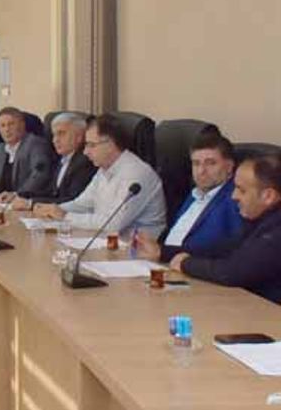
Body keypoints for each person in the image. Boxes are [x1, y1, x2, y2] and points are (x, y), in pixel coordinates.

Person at [168, 153, 281, 303]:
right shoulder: (256, 221)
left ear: (268, 196)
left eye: (241, 190)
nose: (234, 196)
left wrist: (186, 264)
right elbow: (219, 250)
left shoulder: (275, 231)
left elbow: (233, 272)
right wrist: (163, 252)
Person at [32, 113, 166, 236]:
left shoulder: (136, 174)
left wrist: (65, 216)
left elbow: (113, 224)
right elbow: (82, 204)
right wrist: (52, 209)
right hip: (107, 241)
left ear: (111, 144)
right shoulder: (104, 168)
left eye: (91, 145)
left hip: (137, 248)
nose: (85, 152)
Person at [136, 131, 244, 263]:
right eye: (196, 163)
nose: (201, 171)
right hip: (164, 264)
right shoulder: (194, 194)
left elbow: (221, 249)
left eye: (210, 163)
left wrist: (163, 253)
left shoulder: (235, 199)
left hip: (193, 269)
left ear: (229, 167)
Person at [8, 112, 95, 209]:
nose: (55, 140)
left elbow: (72, 200)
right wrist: (18, 195)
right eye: (54, 135)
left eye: (61, 134)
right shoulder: (63, 159)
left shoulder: (84, 162)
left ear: (79, 137)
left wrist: (31, 204)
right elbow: (51, 192)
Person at [0, 107, 56, 197]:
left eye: (11, 124)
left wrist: (17, 194)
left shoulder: (35, 144)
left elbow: (39, 176)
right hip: (2, 200)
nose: (7, 129)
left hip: (27, 200)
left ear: (22, 125)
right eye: (2, 126)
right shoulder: (1, 148)